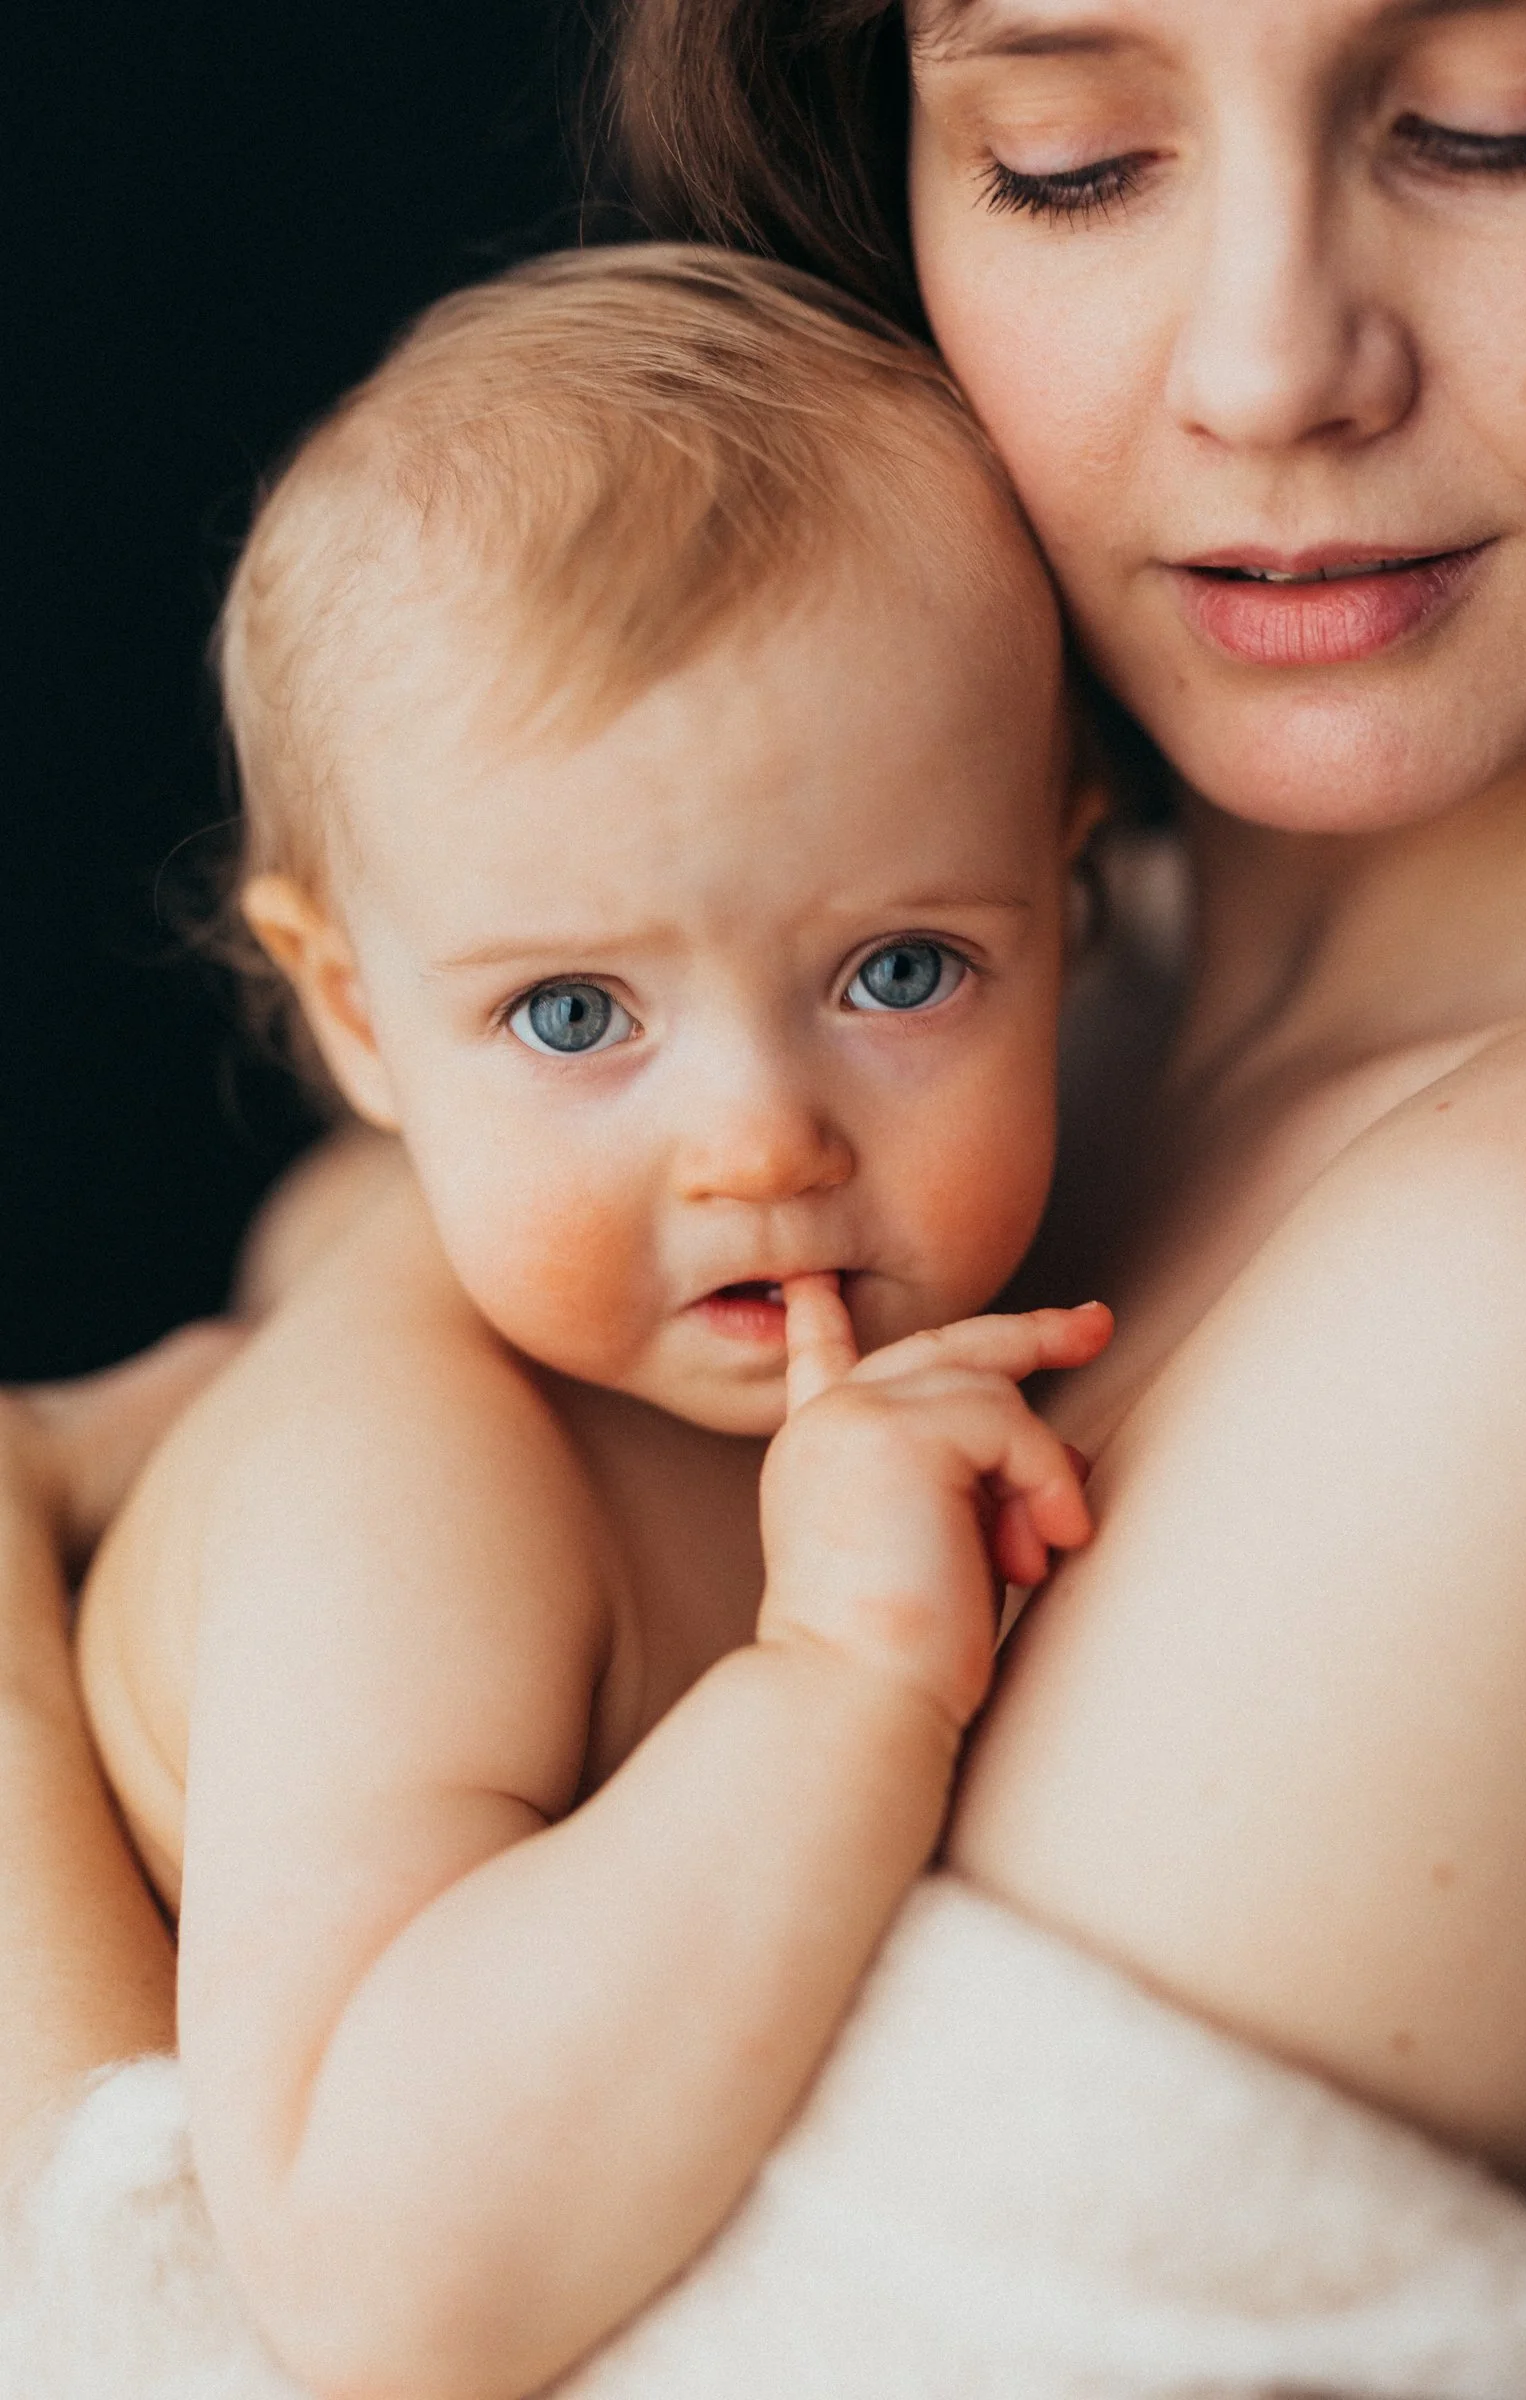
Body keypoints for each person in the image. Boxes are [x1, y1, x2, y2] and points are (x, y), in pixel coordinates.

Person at [7, 0, 1526, 2376]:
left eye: (1513, 121)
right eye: (1065, 159)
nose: (1272, 368)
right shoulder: (1064, 998)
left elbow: (338, 2319)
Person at [72, 244, 1111, 2400]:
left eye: (900, 973)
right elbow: (376, 2282)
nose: (757, 1141)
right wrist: (837, 1679)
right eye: (571, 1014)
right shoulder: (417, 1490)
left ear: (1071, 904)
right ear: (355, 1008)